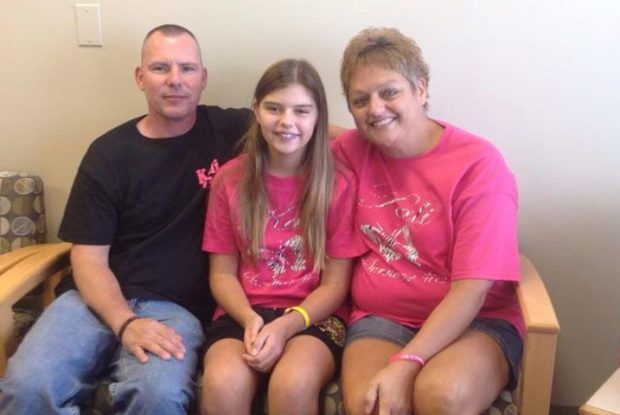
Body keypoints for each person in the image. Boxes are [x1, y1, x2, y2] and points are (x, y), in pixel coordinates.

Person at [0, 24, 251, 414]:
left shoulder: (229, 130)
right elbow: (88, 259)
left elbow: (311, 131)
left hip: (176, 308)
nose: (175, 80)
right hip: (89, 300)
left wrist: (361, 138)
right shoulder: (109, 154)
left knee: (157, 397)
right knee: (27, 387)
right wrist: (126, 322)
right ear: (140, 77)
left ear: (203, 78)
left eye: (187, 68)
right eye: (160, 68)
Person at [332, 28, 524, 415]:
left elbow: (472, 290)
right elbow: (296, 128)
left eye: (389, 92)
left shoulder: (478, 165)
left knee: (440, 395)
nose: (375, 109)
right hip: (382, 319)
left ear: (420, 89)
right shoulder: (350, 150)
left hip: (476, 322)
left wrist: (408, 362)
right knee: (373, 403)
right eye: (360, 99)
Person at [200, 59, 365, 415]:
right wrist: (249, 319)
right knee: (223, 383)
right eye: (274, 108)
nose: (286, 121)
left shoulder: (338, 183)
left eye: (301, 111)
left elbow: (336, 284)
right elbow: (222, 273)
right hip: (243, 312)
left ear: (318, 117)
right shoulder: (229, 180)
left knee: (292, 383)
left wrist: (288, 325)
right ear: (256, 112)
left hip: (314, 315)